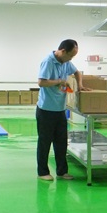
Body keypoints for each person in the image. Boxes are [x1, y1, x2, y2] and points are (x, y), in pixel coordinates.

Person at [36, 39, 87, 181]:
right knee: (45, 142)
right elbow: (41, 82)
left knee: (61, 142)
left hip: (60, 109)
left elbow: (77, 72)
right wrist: (59, 81)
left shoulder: (66, 62)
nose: (71, 59)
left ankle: (62, 171)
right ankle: (42, 172)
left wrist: (80, 85)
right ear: (63, 51)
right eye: (70, 56)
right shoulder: (48, 62)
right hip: (46, 110)